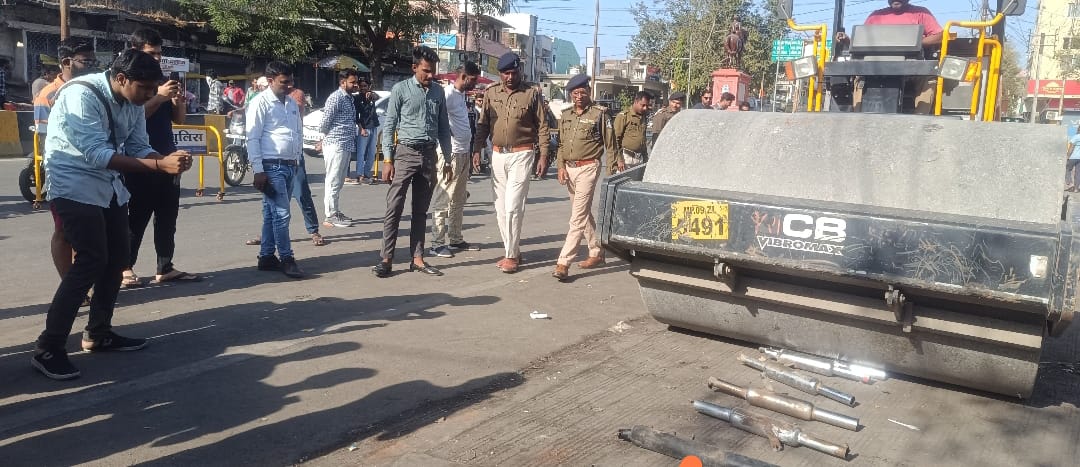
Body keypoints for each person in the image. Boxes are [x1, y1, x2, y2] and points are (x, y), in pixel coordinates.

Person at [34, 49, 193, 380]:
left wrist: (167, 159)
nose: (150, 96)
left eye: (153, 89)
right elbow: (96, 154)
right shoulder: (82, 94)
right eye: (145, 89)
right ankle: (49, 347)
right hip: (73, 183)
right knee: (91, 260)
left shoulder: (132, 102)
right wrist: (158, 165)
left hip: (109, 185)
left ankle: (98, 333)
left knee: (118, 257)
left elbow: (138, 146)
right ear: (121, 78)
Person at [121, 28, 200, 287]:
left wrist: (177, 101)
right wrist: (158, 97)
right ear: (135, 50)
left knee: (167, 218)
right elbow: (134, 118)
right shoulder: (131, 83)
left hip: (168, 157)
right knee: (137, 217)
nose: (156, 58)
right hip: (140, 159)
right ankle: (125, 267)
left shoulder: (161, 81)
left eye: (159, 54)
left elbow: (179, 120)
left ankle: (165, 267)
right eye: (151, 53)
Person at [372, 46, 452, 278]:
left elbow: (443, 128)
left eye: (433, 71)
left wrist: (447, 160)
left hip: (429, 155)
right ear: (414, 67)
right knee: (394, 208)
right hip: (405, 154)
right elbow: (389, 126)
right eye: (426, 71)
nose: (430, 75)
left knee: (420, 210)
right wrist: (388, 160)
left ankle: (417, 258)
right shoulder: (401, 89)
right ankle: (386, 259)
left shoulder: (438, 92)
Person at [472, 52, 551, 274]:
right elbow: (483, 125)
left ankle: (511, 256)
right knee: (500, 208)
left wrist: (544, 155)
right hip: (498, 154)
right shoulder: (491, 93)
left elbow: (542, 126)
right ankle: (513, 249)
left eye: (513, 73)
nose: (509, 77)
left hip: (522, 153)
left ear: (520, 72)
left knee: (513, 206)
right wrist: (477, 149)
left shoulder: (531, 94)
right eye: (505, 73)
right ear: (500, 74)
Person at [34, 39, 99, 307]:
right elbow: (45, 138)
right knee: (64, 232)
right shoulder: (48, 95)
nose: (91, 66)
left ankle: (86, 281)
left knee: (91, 233)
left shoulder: (95, 88)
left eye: (94, 61)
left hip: (95, 172)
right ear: (66, 62)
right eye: (86, 61)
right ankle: (72, 287)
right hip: (65, 174)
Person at [551, 75, 613, 282]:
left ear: (589, 91)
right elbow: (561, 144)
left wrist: (611, 170)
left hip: (588, 167)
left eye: (582, 92)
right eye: (575, 93)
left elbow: (611, 144)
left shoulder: (599, 114)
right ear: (570, 94)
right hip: (570, 169)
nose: (578, 96)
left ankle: (563, 262)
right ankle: (596, 251)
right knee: (582, 212)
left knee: (577, 217)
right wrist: (560, 166)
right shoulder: (566, 114)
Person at [247, 61, 305, 278]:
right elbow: (253, 137)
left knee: (272, 215)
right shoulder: (260, 102)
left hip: (290, 165)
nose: (289, 85)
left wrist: (297, 158)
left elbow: (296, 132)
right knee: (281, 214)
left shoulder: (291, 103)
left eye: (291, 81)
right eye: (284, 82)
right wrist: (258, 170)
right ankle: (287, 258)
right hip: (271, 166)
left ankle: (266, 256)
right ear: (270, 81)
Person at [429, 62, 481, 258]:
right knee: (444, 197)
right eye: (473, 80)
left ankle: (456, 238)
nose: (475, 83)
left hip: (463, 152)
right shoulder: (448, 94)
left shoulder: (461, 95)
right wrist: (447, 136)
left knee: (458, 199)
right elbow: (434, 117)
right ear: (464, 77)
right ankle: (436, 243)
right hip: (450, 154)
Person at [316, 69, 360, 228]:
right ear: (343, 82)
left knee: (339, 181)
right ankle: (330, 215)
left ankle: (335, 211)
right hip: (336, 143)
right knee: (333, 180)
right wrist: (325, 138)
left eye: (356, 82)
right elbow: (325, 122)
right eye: (352, 82)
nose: (356, 85)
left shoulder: (349, 98)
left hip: (346, 144)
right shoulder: (336, 97)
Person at [347, 77, 380, 185]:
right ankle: (360, 174)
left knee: (372, 153)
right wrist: (361, 129)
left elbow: (377, 97)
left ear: (369, 86)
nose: (363, 88)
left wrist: (371, 93)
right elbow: (356, 116)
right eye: (361, 86)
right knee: (361, 153)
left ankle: (366, 174)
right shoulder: (357, 98)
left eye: (365, 86)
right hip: (364, 128)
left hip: (373, 127)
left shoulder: (371, 96)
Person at [612, 90, 653, 174]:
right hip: (626, 158)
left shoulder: (643, 117)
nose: (645, 108)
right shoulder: (624, 116)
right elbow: (615, 139)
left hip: (639, 159)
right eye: (643, 105)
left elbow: (643, 139)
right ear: (636, 101)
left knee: (636, 182)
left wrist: (646, 158)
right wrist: (619, 159)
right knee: (623, 182)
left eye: (647, 105)